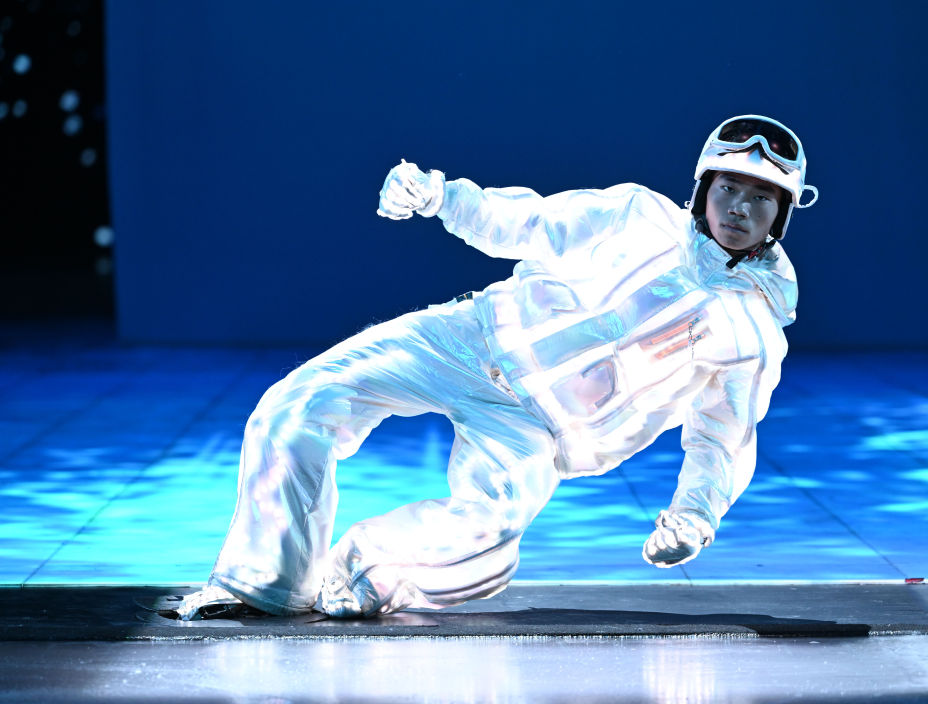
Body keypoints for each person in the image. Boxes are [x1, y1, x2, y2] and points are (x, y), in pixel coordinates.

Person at [176, 115, 818, 620]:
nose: (739, 208)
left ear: (782, 214)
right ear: (704, 188)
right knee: (300, 402)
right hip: (469, 340)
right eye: (729, 188)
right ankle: (263, 582)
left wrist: (695, 516)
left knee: (488, 534)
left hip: (536, 428)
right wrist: (439, 196)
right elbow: (528, 221)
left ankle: (363, 573)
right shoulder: (635, 215)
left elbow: (723, 436)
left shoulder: (751, 333)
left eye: (761, 197)